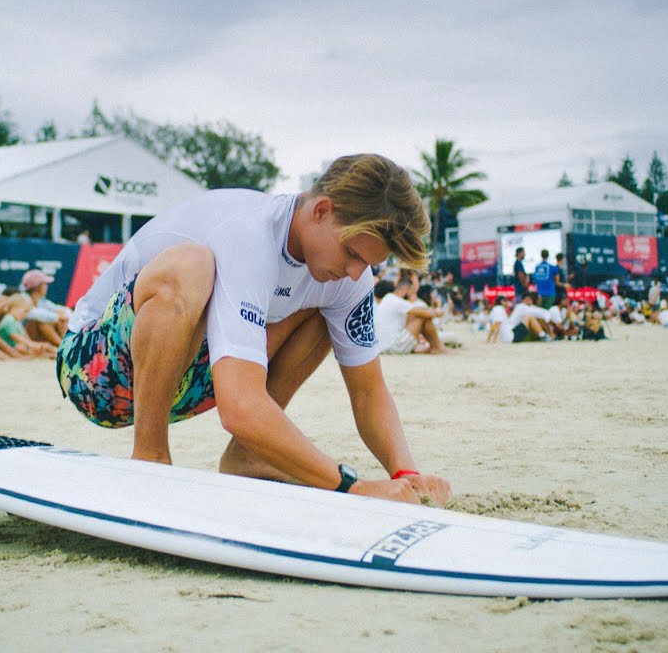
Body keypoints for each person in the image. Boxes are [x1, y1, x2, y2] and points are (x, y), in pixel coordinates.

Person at [55, 153, 452, 505]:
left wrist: (406, 474)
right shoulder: (249, 232)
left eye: (366, 263)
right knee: (192, 265)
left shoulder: (348, 277)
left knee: (325, 309)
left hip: (186, 378)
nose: (354, 272)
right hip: (94, 373)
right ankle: (150, 457)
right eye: (351, 253)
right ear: (321, 210)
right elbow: (239, 407)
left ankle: (249, 455)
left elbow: (368, 391)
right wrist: (353, 487)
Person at [373, 273, 450, 355]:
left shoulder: (389, 299)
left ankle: (436, 347)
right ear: (406, 289)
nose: (412, 295)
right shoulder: (395, 300)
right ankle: (438, 348)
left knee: (418, 316)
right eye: (412, 292)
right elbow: (425, 313)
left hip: (384, 346)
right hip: (393, 347)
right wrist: (438, 310)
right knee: (421, 317)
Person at [19, 269, 71, 347]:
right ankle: (63, 347)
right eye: (44, 284)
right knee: (42, 321)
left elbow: (61, 309)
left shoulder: (41, 300)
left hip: (29, 335)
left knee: (61, 320)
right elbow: (33, 314)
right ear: (37, 287)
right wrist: (58, 317)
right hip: (21, 336)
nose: (46, 287)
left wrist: (63, 316)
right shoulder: (23, 299)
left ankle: (68, 346)